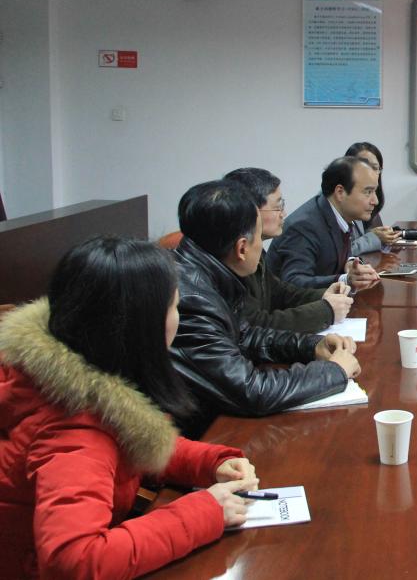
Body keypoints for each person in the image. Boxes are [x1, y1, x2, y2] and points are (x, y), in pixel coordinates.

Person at [0, 236, 258, 579]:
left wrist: (210, 462)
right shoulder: (73, 429)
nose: (179, 318)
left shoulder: (79, 374)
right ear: (143, 327)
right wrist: (206, 512)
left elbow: (133, 443)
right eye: (174, 306)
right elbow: (76, 561)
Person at [170, 180, 361, 436]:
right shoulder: (192, 300)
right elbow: (250, 390)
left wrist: (311, 346)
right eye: (259, 237)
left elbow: (245, 335)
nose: (261, 246)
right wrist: (333, 371)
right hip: (193, 436)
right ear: (241, 248)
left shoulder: (207, 270)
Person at [223, 167, 352, 332]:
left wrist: (324, 295)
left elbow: (279, 292)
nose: (283, 214)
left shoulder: (255, 249)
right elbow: (255, 326)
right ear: (249, 210)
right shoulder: (234, 258)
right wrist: (325, 311)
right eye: (278, 207)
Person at [267, 156, 381, 289]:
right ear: (340, 192)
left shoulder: (340, 215)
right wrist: (345, 280)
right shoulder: (304, 226)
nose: (375, 201)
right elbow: (294, 282)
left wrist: (350, 263)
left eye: (375, 191)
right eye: (368, 192)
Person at [345, 142, 400, 255]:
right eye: (363, 167)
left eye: (374, 168)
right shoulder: (340, 199)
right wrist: (374, 238)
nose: (369, 172)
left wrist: (381, 235)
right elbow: (340, 253)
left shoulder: (368, 200)